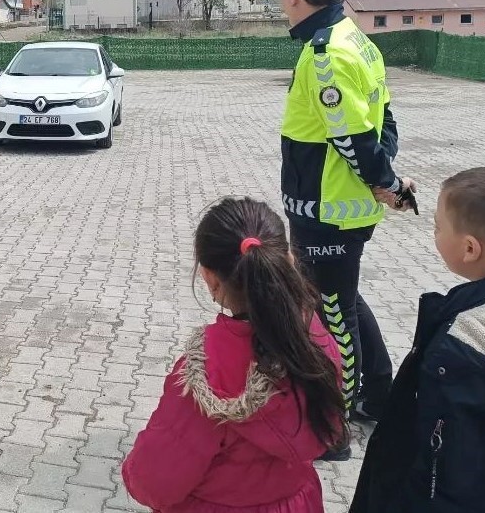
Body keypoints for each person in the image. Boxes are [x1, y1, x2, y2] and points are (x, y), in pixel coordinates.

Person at [122, 197, 346, 513]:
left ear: (211, 280)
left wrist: (132, 470)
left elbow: (155, 481)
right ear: (289, 261)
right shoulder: (315, 343)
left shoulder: (205, 374)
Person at [277, 0, 417, 456]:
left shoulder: (326, 54)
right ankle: (378, 396)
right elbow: (388, 122)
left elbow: (356, 140)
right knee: (346, 303)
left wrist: (387, 181)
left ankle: (333, 427)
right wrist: (387, 181)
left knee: (332, 315)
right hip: (343, 209)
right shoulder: (357, 40)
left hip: (327, 212)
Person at [351, 167, 485, 513]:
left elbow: (445, 475)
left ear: (469, 248)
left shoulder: (462, 349)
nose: (433, 232)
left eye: (437, 226)